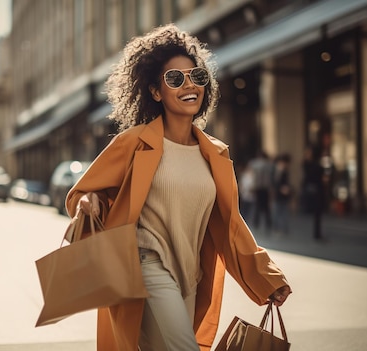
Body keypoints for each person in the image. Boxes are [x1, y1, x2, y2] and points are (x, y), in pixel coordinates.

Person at [65, 24, 291, 351]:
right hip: (143, 265)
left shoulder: (214, 153)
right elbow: (85, 192)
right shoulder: (133, 143)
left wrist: (266, 277)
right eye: (174, 79)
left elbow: (230, 227)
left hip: (189, 277)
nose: (189, 85)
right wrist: (90, 199)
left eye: (196, 77)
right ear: (155, 91)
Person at [300, 146, 324, 239]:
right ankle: (317, 234)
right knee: (316, 213)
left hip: (316, 191)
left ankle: (317, 234)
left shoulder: (314, 165)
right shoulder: (309, 165)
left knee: (317, 213)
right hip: (315, 191)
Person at [248, 150, 274, 230]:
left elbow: (251, 175)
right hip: (265, 187)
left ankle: (256, 222)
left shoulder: (254, 164)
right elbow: (271, 177)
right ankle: (268, 223)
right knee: (266, 207)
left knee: (257, 205)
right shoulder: (269, 165)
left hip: (257, 187)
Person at [272, 153, 292, 234]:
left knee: (283, 212)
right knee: (277, 212)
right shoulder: (277, 171)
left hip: (283, 195)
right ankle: (277, 228)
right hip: (278, 194)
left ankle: (283, 229)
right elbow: (275, 183)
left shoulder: (285, 172)